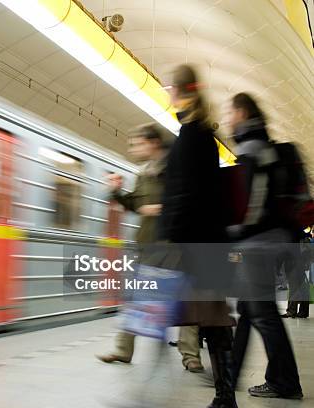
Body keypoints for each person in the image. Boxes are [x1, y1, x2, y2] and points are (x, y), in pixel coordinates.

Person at [95, 125, 204, 373]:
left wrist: (161, 209)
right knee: (134, 298)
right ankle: (123, 350)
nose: (134, 149)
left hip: (175, 246)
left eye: (138, 143)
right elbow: (136, 204)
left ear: (153, 143)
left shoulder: (176, 170)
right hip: (147, 246)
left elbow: (188, 202)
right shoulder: (143, 173)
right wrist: (116, 192)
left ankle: (190, 355)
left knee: (186, 301)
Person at [159, 65, 237, 408]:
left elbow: (185, 194)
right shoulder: (198, 133)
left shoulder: (192, 135)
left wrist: (172, 239)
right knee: (210, 319)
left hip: (199, 244)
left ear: (180, 91)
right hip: (207, 242)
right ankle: (224, 393)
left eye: (169, 88)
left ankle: (225, 396)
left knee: (212, 320)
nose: (168, 94)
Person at [226, 92, 303, 400]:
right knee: (249, 310)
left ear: (242, 112)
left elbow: (251, 206)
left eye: (230, 112)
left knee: (262, 314)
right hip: (273, 241)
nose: (228, 117)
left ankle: (285, 382)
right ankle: (228, 380)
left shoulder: (251, 148)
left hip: (258, 244)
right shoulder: (266, 146)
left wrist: (233, 232)